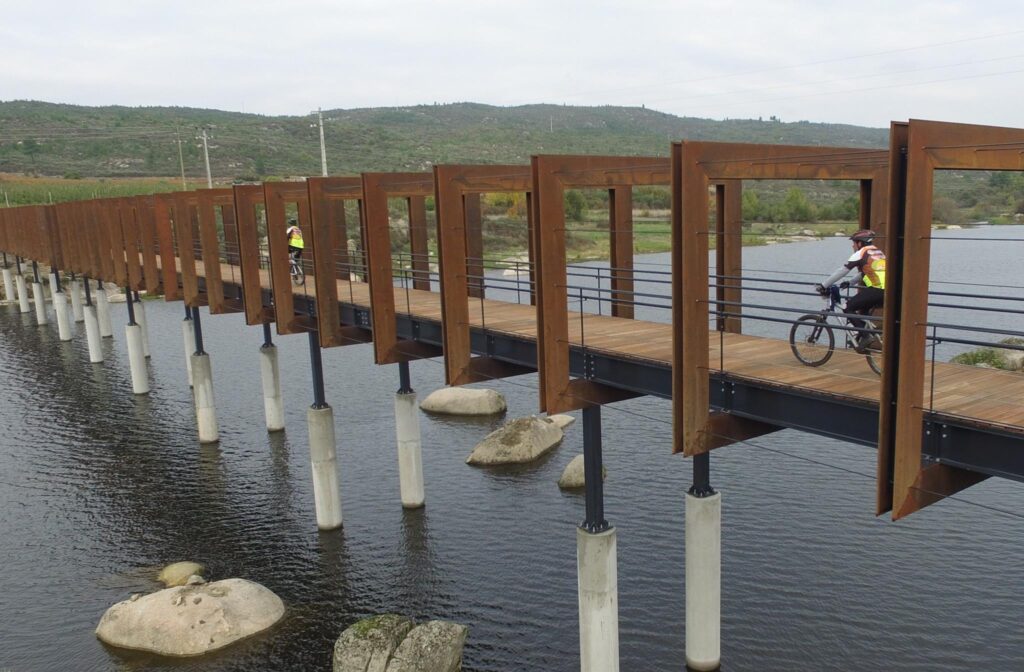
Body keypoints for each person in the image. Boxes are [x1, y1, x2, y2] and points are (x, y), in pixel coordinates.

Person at [814, 229, 886, 352]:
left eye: (854, 243)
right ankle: (861, 336)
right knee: (862, 313)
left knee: (848, 307)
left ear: (860, 243)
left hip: (877, 290)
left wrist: (823, 285)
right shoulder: (878, 252)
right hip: (888, 291)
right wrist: (850, 282)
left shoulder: (861, 252)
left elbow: (842, 270)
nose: (853, 245)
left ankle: (866, 336)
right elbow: (866, 271)